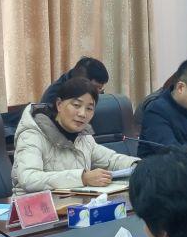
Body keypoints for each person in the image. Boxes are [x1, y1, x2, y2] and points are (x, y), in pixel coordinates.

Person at [13, 76, 141, 192]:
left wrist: (139, 166)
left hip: (73, 204)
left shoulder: (83, 136)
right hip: (33, 207)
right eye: (76, 105)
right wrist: (82, 178)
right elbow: (29, 178)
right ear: (59, 104)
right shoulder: (32, 134)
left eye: (89, 108)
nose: (82, 114)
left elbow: (110, 160)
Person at [42, 56, 110, 106]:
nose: (96, 94)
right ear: (79, 76)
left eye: (100, 89)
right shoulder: (53, 96)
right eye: (94, 88)